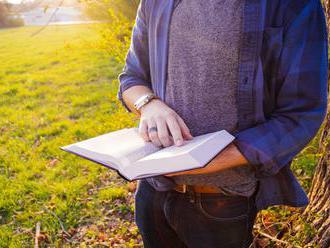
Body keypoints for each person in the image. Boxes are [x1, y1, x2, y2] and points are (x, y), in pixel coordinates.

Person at [117, 0, 328, 247]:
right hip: (153, 189)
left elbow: (300, 114)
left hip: (222, 202)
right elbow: (131, 78)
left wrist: (210, 161)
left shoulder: (293, 4)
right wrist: (149, 104)